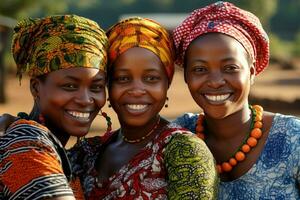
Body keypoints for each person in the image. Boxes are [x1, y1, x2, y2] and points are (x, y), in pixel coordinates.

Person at [68, 17, 218, 199]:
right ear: (108, 85)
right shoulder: (87, 152)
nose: (137, 90)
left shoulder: (184, 151)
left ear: (166, 84)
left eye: (151, 78)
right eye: (123, 78)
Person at [172, 1, 300, 199]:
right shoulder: (178, 136)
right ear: (187, 76)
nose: (215, 82)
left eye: (230, 68)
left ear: (251, 72)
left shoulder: (293, 139)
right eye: (200, 69)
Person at [0, 15, 109, 200]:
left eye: (96, 87)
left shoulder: (56, 147)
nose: (85, 99)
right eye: (70, 86)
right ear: (35, 87)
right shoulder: (27, 144)